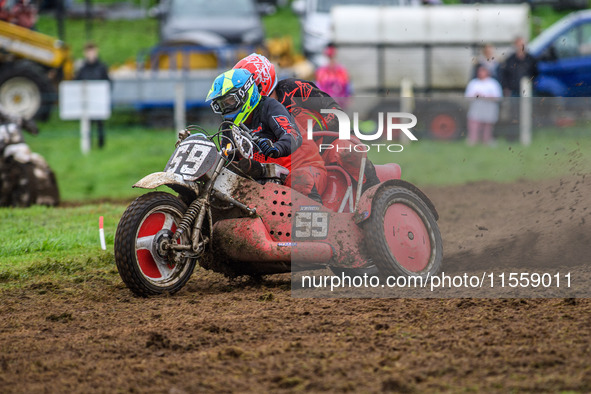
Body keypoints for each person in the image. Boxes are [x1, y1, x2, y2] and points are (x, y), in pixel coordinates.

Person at [233, 53, 380, 192]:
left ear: (260, 84)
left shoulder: (294, 88)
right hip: (291, 163)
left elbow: (335, 112)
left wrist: (311, 135)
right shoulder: (244, 117)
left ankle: (374, 192)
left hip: (327, 144)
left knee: (346, 151)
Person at [206, 68, 327, 204]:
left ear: (245, 93)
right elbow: (227, 159)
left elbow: (292, 135)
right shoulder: (228, 125)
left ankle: (313, 222)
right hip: (264, 176)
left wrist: (275, 148)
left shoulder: (269, 106)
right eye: (221, 105)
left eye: (229, 101)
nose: (226, 108)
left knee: (300, 181)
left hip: (301, 169)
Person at [75, 42, 110, 149]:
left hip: (98, 100)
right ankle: (88, 144)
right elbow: (76, 82)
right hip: (87, 100)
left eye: (92, 51)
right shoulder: (82, 68)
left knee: (100, 123)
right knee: (87, 124)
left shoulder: (101, 67)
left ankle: (101, 145)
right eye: (88, 51)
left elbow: (108, 82)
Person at [464, 64, 503, 146]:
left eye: (483, 71)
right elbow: (468, 96)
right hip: (476, 107)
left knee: (487, 126)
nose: (481, 73)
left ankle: (487, 141)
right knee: (474, 124)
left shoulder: (493, 83)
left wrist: (485, 97)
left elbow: (498, 96)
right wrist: (476, 96)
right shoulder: (474, 83)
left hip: (489, 107)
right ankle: (473, 141)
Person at [314, 44, 351, 108]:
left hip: (340, 103)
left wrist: (348, 98)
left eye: (333, 57)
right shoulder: (321, 71)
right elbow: (317, 87)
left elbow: (347, 87)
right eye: (329, 57)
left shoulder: (342, 71)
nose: (331, 60)